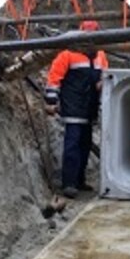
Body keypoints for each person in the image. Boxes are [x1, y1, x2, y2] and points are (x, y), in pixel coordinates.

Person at [44, 20, 108, 198]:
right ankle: (69, 183)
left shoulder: (100, 56)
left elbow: (105, 77)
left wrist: (103, 84)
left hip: (90, 108)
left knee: (85, 145)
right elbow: (54, 78)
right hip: (73, 107)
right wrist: (51, 101)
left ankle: (79, 180)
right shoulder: (67, 54)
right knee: (72, 144)